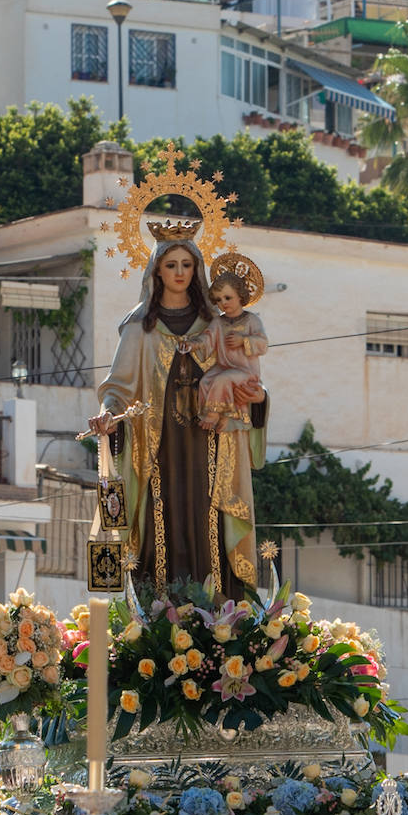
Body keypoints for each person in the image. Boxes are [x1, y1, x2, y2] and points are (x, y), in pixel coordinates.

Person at [89, 221, 266, 598]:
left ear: (197, 270)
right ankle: (160, 608)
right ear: (157, 271)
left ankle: (222, 608)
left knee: (210, 516)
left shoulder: (215, 326)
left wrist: (259, 399)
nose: (180, 273)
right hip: (159, 446)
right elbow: (117, 387)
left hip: (211, 445)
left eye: (187, 265)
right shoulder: (139, 329)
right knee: (160, 517)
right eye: (172, 265)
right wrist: (109, 414)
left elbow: (246, 376)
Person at [198, 262, 268, 432]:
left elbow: (263, 344)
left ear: (240, 295)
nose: (223, 303)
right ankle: (219, 413)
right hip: (223, 367)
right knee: (205, 381)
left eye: (227, 298)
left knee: (223, 379)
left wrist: (244, 340)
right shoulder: (218, 322)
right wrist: (194, 344)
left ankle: (215, 413)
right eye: (219, 300)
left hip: (245, 372)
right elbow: (207, 337)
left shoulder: (251, 320)